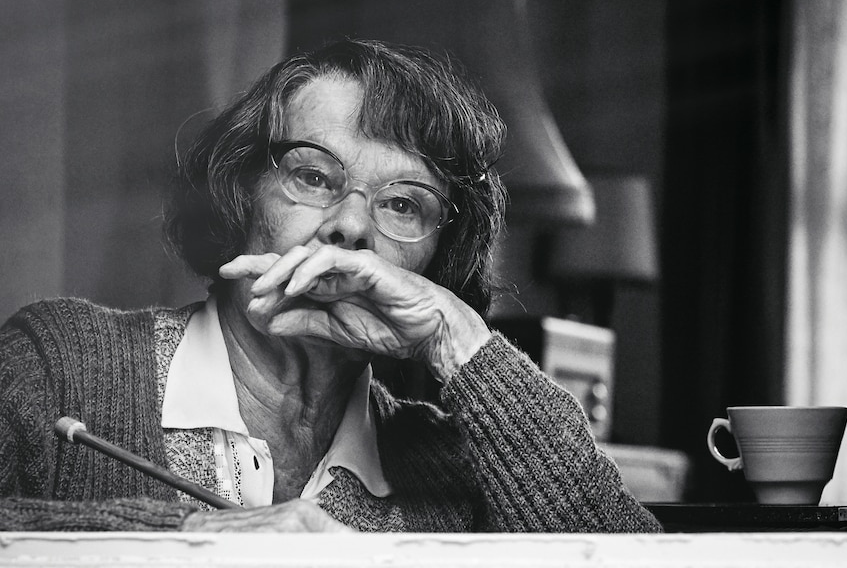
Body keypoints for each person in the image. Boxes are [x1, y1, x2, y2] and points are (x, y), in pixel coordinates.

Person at [0, 39, 661, 533]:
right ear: (239, 191)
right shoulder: (60, 364)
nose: (350, 226)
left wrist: (460, 340)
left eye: (403, 205)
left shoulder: (455, 463)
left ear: (436, 257)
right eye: (314, 177)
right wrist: (192, 540)